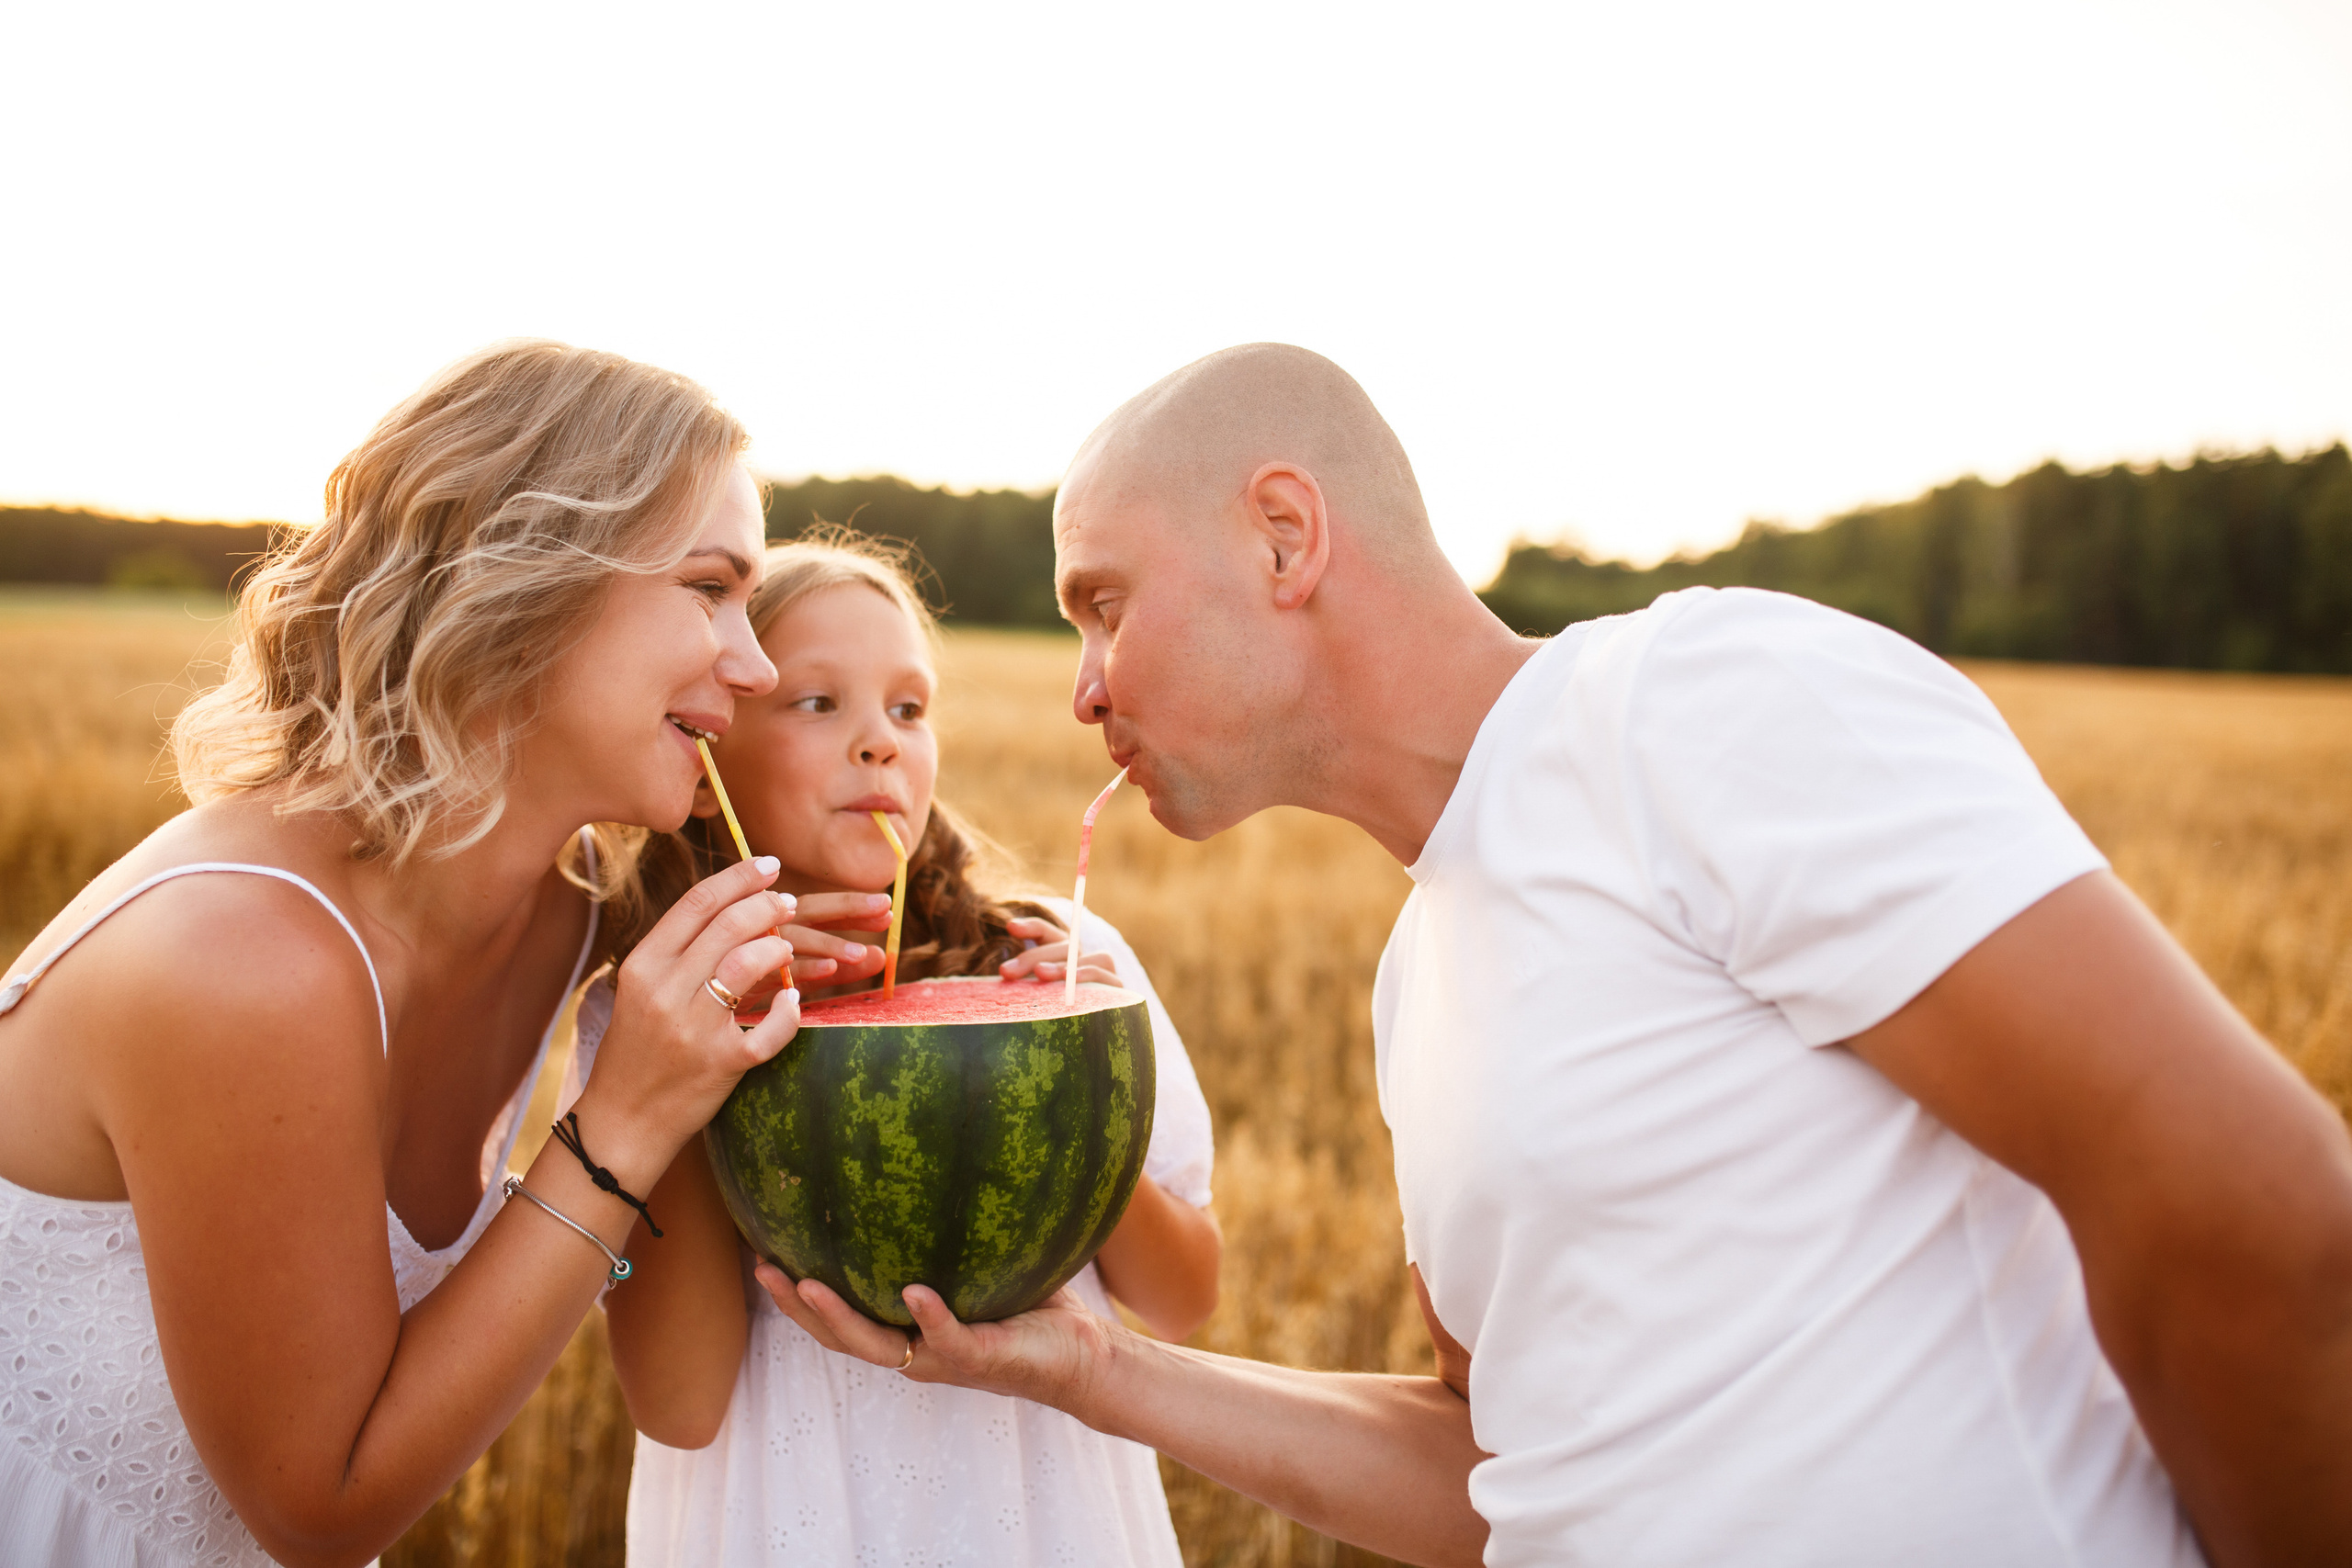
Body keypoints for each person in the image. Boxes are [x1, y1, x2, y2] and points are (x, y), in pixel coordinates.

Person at [769, 344, 2352, 1568]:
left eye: (1104, 606)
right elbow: (1502, 1472)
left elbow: (2253, 1213)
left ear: (1282, 535)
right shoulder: (1421, 977)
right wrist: (1086, 1372)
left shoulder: (1699, 705)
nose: (1083, 688)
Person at [0, 341, 824, 1568]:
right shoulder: (242, 959)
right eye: (710, 588)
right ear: (523, 579)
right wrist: (626, 1117)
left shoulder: (575, 914)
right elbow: (319, 1505)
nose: (754, 666)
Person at [560, 531, 1222, 1564]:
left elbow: (1184, 1300)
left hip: (1046, 1519)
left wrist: (1085, 1081)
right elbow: (680, 1405)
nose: (880, 742)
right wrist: (694, 1062)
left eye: (907, 710)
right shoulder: (646, 1012)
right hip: (785, 1524)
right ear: (704, 763)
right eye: (817, 703)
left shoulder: (1053, 956)